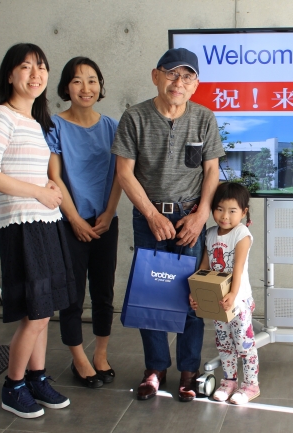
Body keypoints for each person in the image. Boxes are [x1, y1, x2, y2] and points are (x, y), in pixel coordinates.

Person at [112, 47, 224, 402]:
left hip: (191, 219)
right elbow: (124, 173)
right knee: (151, 295)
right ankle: (155, 369)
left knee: (192, 296)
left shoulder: (204, 118)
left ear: (196, 84)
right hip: (150, 218)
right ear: (156, 75)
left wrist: (202, 213)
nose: (179, 82)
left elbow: (211, 171)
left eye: (187, 76)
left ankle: (188, 372)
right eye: (172, 73)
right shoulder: (135, 117)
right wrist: (151, 214)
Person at [0, 43, 75, 418]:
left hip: (45, 223)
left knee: (43, 310)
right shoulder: (0, 116)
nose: (36, 75)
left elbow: (38, 174)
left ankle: (37, 377)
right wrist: (38, 191)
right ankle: (12, 385)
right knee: (33, 315)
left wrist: (48, 190)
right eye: (26, 67)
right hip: (22, 227)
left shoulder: (35, 122)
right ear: (10, 75)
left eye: (42, 68)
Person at [46, 57, 121, 388]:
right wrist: (73, 218)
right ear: (66, 87)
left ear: (100, 86)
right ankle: (78, 358)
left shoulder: (112, 127)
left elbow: (123, 174)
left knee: (103, 292)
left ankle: (101, 354)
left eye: (92, 80)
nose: (86, 88)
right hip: (69, 221)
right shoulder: (54, 125)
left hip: (106, 221)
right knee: (72, 295)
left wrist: (109, 212)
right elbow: (53, 175)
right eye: (77, 81)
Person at [190, 182, 260, 404]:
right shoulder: (210, 234)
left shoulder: (242, 234)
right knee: (224, 344)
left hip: (238, 301)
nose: (225, 216)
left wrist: (232, 296)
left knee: (244, 344)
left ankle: (251, 386)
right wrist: (196, 295)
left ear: (243, 212)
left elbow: (237, 270)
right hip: (219, 303)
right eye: (219, 209)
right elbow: (203, 270)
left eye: (232, 211)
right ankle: (228, 382)